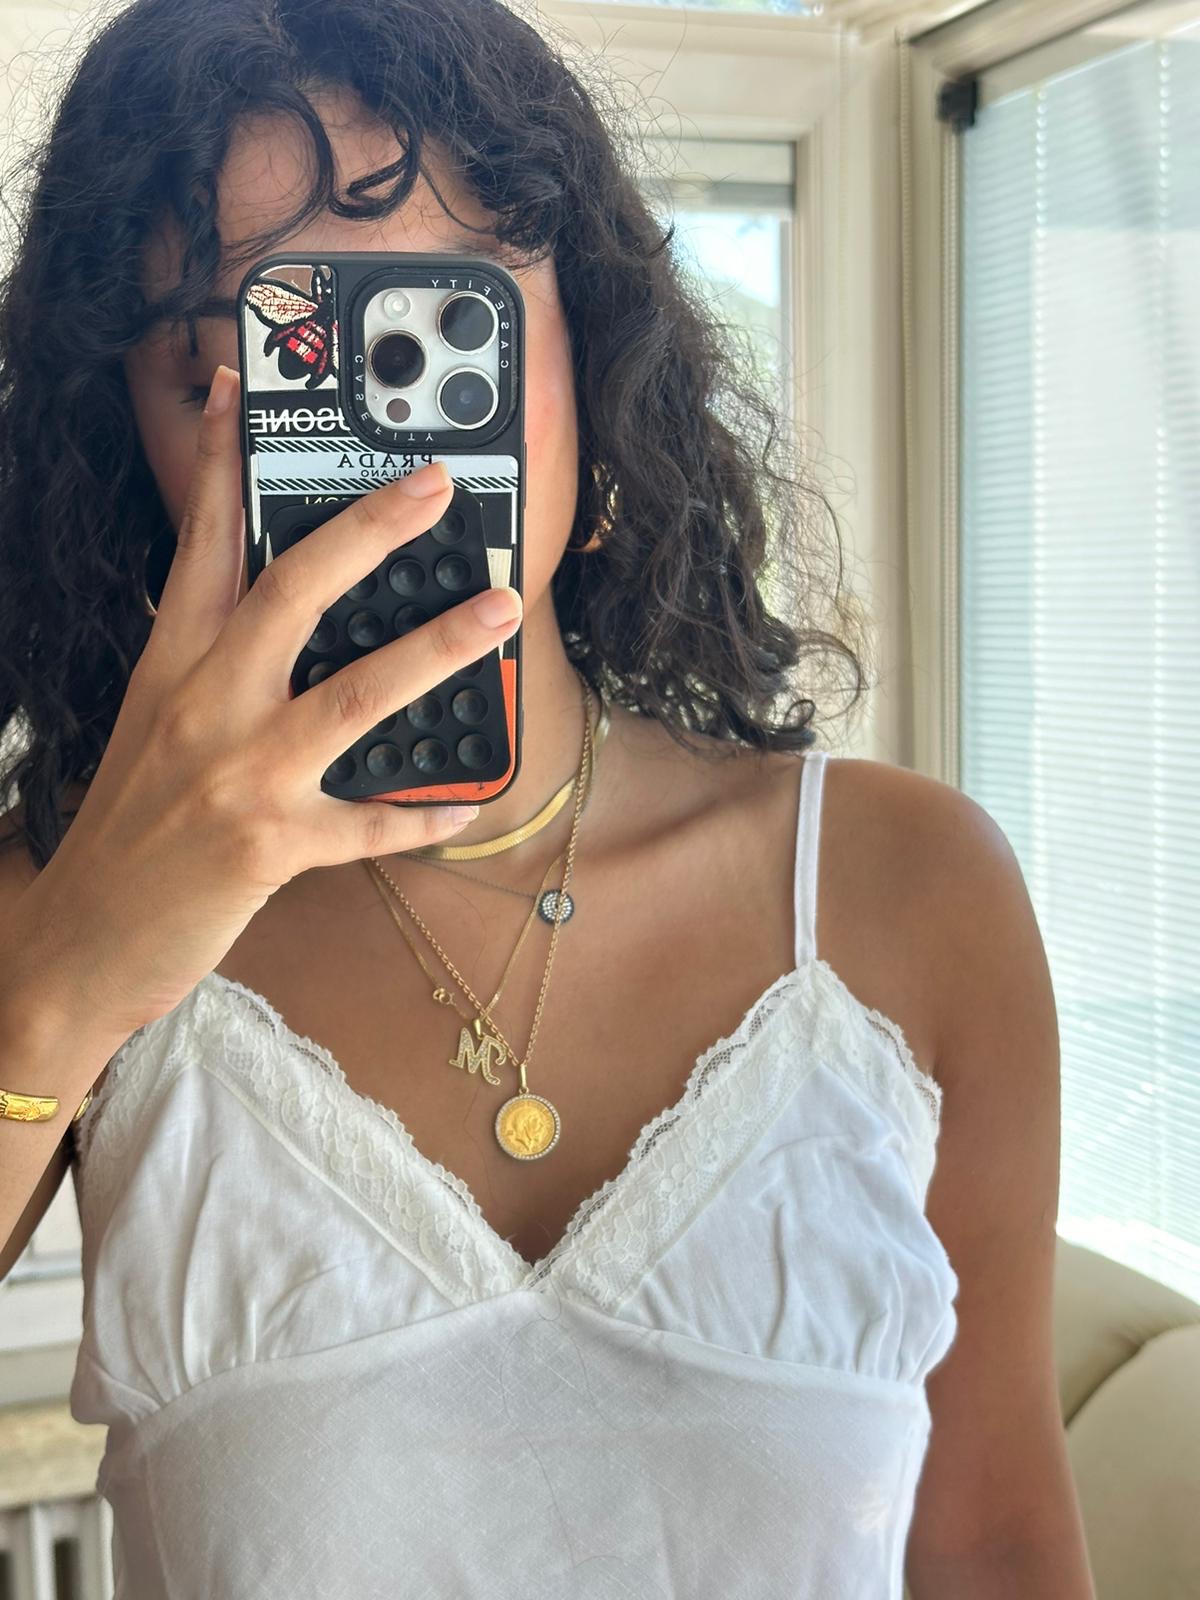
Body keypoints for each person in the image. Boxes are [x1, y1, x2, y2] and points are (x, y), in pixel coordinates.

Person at [0, 0, 1095, 1595]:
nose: (376, 446)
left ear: (589, 348)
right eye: (255, 364)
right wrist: (69, 984)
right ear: (131, 445)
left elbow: (997, 1546)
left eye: (437, 333)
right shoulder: (54, 903)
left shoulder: (908, 891)